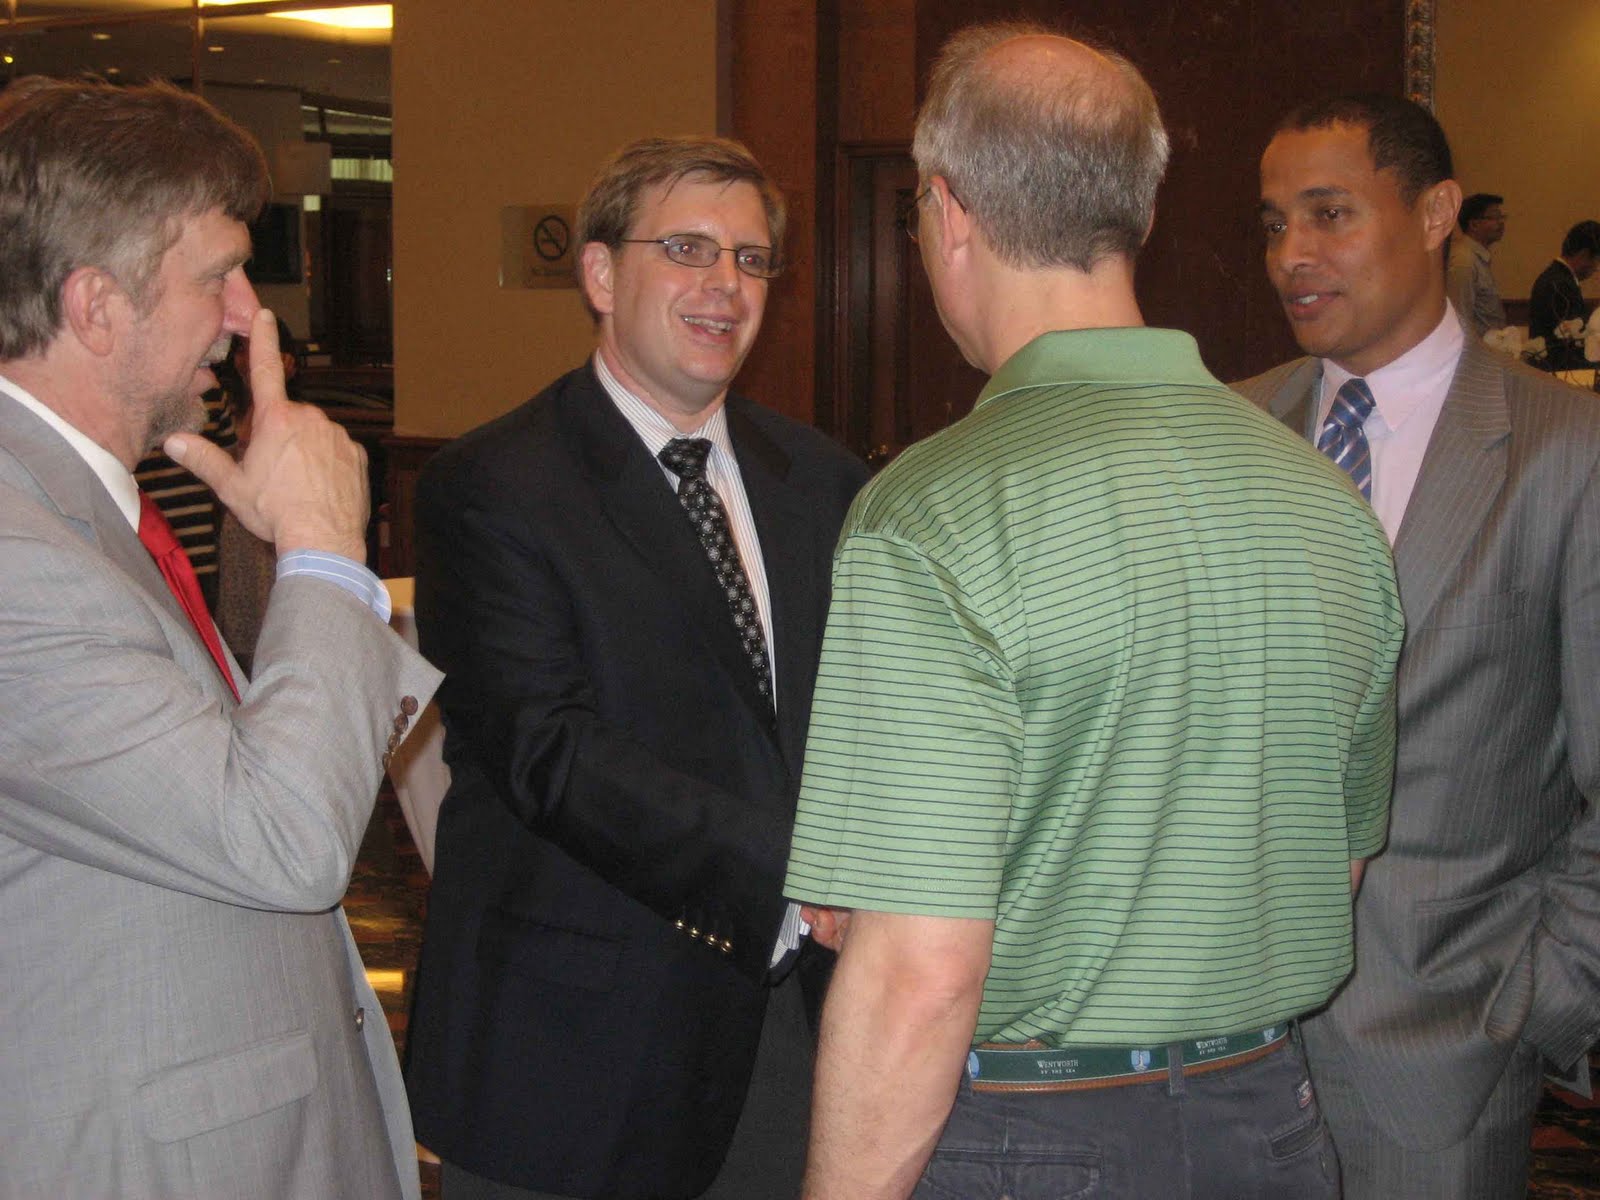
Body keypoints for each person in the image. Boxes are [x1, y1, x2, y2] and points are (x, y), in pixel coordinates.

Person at [782, 24, 1404, 1200]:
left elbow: (920, 972)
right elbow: (1334, 864)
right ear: (1141, 214)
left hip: (1027, 1134)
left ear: (946, 211)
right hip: (1270, 1120)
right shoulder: (1327, 505)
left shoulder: (935, 510)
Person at [402, 135, 868, 1200]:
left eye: (751, 260)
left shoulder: (825, 482)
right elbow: (547, 752)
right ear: (601, 274)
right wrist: (801, 870)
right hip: (573, 1057)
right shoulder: (494, 486)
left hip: (789, 1041)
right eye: (688, 249)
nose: (725, 285)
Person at [0, 78, 440, 1200]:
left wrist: (301, 568)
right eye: (218, 276)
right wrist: (324, 548)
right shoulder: (15, 549)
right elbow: (284, 837)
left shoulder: (82, 509)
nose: (250, 313)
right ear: (97, 306)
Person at [1240, 92, 1600, 1199]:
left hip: (1441, 1058)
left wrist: (1537, 1004)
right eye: (1273, 224)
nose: (1292, 256)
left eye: (1330, 214)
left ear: (1437, 212)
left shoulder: (1565, 452)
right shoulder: (1230, 431)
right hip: (1212, 1054)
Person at [1527, 218, 1600, 369]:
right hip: (1556, 368)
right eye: (1597, 260)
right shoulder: (1559, 285)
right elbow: (1566, 344)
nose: (1596, 268)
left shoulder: (1557, 278)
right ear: (1584, 255)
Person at [1446, 191, 1507, 338]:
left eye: (1502, 217)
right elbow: (1461, 318)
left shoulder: (1477, 257)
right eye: (1494, 217)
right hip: (1476, 348)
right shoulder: (1464, 261)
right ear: (1474, 224)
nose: (1501, 223)